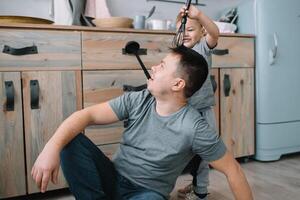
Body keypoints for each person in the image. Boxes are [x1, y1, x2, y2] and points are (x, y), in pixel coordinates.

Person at [31, 46, 253, 200]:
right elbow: (86, 115)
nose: (154, 67)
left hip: (146, 193)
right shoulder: (139, 99)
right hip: (113, 177)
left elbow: (233, 170)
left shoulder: (194, 127)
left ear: (177, 84)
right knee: (69, 141)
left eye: (162, 65)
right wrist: (51, 148)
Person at [174, 4, 221, 200]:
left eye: (190, 29)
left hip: (203, 112)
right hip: (183, 112)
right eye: (181, 30)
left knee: (204, 154)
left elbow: (215, 34)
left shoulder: (203, 48)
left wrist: (199, 15)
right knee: (183, 153)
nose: (185, 34)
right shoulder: (178, 53)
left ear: (201, 32)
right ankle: (193, 184)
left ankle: (201, 191)